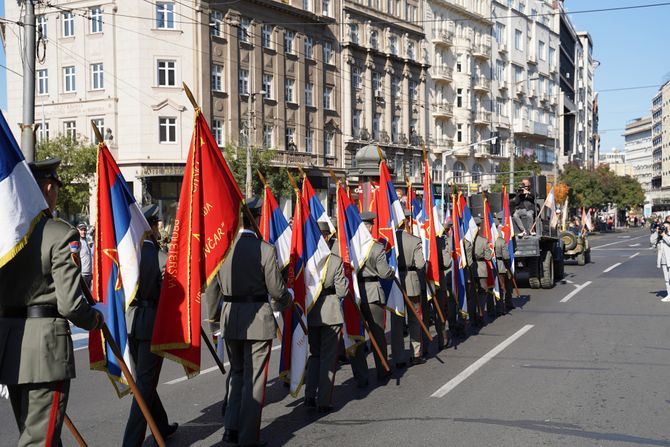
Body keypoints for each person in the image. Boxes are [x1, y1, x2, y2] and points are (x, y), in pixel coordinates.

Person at [0, 158, 104, 446]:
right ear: (48, 188)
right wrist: (94, 319)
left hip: (11, 343)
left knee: (38, 432)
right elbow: (71, 304)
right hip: (45, 348)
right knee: (39, 439)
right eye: (55, 186)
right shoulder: (59, 232)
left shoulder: (6, 237)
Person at [205, 197, 292, 446]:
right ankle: (248, 437)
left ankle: (230, 428)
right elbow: (276, 290)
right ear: (257, 218)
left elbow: (212, 290)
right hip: (257, 318)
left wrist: (214, 322)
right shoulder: (265, 249)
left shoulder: (224, 250)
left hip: (230, 318)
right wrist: (287, 302)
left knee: (237, 374)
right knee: (253, 379)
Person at [122, 204, 178, 447]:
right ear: (151, 226)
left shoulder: (127, 254)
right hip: (150, 323)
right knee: (144, 383)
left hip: (129, 321)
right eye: (156, 224)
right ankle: (131, 441)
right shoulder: (160, 256)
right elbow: (171, 295)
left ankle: (161, 425)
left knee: (144, 378)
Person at [305, 221, 349, 413]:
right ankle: (324, 400)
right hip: (330, 312)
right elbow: (342, 291)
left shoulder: (307, 259)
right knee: (328, 358)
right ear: (327, 236)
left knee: (314, 355)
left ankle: (308, 395)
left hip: (312, 311)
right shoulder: (335, 260)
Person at [349, 211, 395, 386]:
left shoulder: (348, 246)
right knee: (377, 334)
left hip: (353, 292)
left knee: (356, 335)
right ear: (369, 226)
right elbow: (384, 272)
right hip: (372, 293)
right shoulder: (376, 247)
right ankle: (382, 370)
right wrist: (392, 272)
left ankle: (361, 376)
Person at [395, 212, 426, 365]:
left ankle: (399, 357)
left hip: (394, 283)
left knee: (397, 322)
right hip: (411, 281)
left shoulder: (389, 240)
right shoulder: (414, 240)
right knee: (414, 319)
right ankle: (416, 353)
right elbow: (420, 264)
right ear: (406, 221)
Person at [473, 216, 495, 319]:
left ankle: (473, 315)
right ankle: (481, 312)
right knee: (482, 291)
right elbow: (488, 257)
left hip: (470, 269)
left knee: (471, 293)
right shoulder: (483, 241)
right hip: (481, 268)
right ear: (479, 227)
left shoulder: (466, 240)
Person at [495, 220, 515, 313]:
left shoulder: (489, 240)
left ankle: (496, 308)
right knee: (502, 287)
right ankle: (501, 308)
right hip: (502, 266)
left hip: (492, 267)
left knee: (494, 288)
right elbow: (506, 256)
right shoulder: (501, 241)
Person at [650, 221, 670, 302]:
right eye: (663, 227)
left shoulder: (666, 235)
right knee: (666, 279)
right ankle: (669, 295)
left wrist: (664, 235)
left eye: (666, 227)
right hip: (663, 260)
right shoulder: (660, 235)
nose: (664, 228)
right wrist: (656, 232)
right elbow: (652, 241)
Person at [77, 223, 93, 289]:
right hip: (82, 274)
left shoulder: (86, 240)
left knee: (88, 295)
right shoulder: (77, 242)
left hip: (89, 273)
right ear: (78, 230)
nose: (83, 232)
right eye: (81, 230)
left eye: (85, 230)